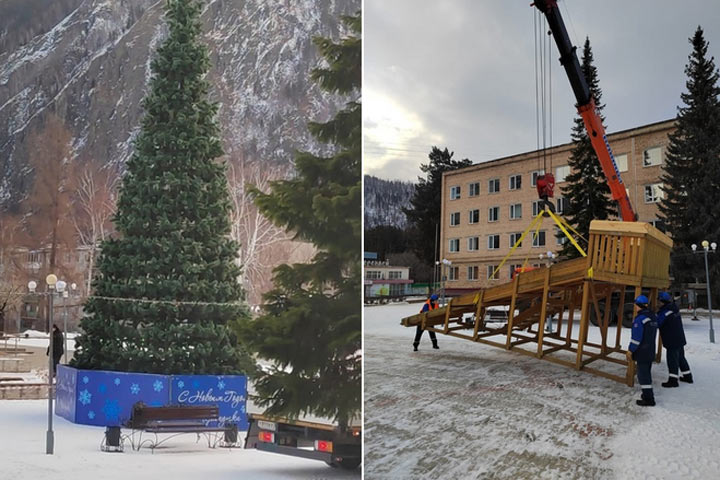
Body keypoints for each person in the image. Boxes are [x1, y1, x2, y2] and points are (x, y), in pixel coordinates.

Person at [657, 291, 693, 387]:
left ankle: (673, 381)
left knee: (672, 360)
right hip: (679, 338)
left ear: (662, 301)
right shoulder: (674, 309)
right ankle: (688, 376)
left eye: (658, 301)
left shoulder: (665, 312)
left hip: (672, 340)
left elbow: (658, 323)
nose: (657, 303)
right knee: (681, 357)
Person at [628, 295, 658, 406]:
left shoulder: (640, 319)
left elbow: (636, 338)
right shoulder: (652, 316)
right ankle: (646, 394)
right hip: (650, 350)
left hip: (642, 351)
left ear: (639, 305)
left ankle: (649, 399)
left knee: (643, 375)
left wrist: (630, 350)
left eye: (635, 305)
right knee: (647, 372)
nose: (635, 307)